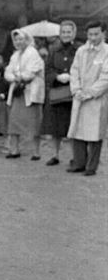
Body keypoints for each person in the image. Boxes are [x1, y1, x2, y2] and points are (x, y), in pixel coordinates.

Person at [66, 20, 108, 176]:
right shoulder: (81, 51)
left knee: (95, 132)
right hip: (79, 96)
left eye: (96, 34)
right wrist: (76, 90)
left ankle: (92, 166)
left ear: (103, 33)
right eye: (90, 34)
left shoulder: (107, 52)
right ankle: (78, 163)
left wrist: (90, 93)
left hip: (97, 98)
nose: (93, 37)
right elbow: (74, 71)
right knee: (78, 129)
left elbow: (106, 77)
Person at [4, 29, 45, 160]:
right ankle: (14, 150)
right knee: (14, 120)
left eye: (21, 39)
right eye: (16, 40)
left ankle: (36, 152)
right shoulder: (14, 55)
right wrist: (14, 78)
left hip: (30, 91)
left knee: (33, 122)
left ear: (27, 39)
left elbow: (32, 72)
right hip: (18, 91)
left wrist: (19, 77)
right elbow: (8, 72)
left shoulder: (33, 53)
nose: (18, 42)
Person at [43, 20, 78, 166]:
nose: (66, 35)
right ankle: (55, 155)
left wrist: (72, 76)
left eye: (68, 32)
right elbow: (48, 69)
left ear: (73, 33)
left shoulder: (79, 50)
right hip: (57, 91)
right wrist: (57, 77)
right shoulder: (53, 50)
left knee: (71, 126)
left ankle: (74, 156)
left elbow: (82, 69)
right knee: (55, 126)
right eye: (63, 32)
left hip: (73, 92)